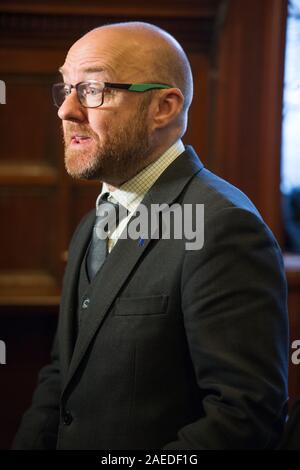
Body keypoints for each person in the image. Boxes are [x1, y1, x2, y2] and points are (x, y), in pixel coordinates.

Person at [13, 21, 288, 450]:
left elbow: (243, 418)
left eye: (92, 90)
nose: (66, 110)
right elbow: (61, 375)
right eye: (65, 88)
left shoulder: (223, 226)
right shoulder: (95, 221)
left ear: (164, 107)